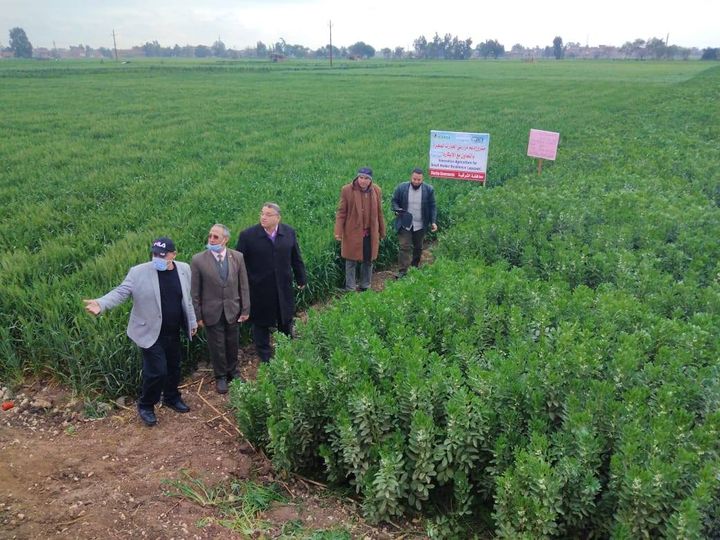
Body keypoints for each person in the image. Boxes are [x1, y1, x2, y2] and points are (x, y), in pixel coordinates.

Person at [84, 237, 198, 427]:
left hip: (173, 330)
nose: (157, 258)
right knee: (157, 372)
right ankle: (146, 405)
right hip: (149, 332)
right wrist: (101, 303)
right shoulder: (138, 272)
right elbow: (121, 292)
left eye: (162, 255)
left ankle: (171, 397)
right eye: (155, 254)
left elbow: (187, 299)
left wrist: (192, 321)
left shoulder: (184, 269)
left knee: (174, 367)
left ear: (173, 255)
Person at [236, 203, 307, 362]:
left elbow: (296, 257)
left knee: (285, 317)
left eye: (268, 214)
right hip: (259, 288)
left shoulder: (288, 233)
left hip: (283, 285)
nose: (263, 217)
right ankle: (265, 356)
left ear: (278, 218)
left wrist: (301, 277)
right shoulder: (248, 236)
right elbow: (238, 263)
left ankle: (286, 351)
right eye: (262, 213)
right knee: (260, 322)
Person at [191, 224, 250, 394]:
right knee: (217, 346)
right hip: (211, 311)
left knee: (233, 342)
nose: (211, 239)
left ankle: (233, 372)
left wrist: (245, 309)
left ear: (225, 240)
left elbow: (243, 285)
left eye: (215, 237)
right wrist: (198, 315)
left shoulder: (237, 257)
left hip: (233, 308)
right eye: (210, 236)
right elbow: (195, 292)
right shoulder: (198, 260)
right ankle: (221, 377)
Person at [334, 166, 386, 291]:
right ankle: (350, 288)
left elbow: (379, 212)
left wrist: (382, 231)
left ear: (370, 180)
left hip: (370, 233)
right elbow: (341, 213)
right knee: (351, 261)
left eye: (366, 178)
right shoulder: (347, 190)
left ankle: (365, 286)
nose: (363, 181)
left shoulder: (376, 190)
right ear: (357, 177)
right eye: (361, 178)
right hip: (352, 232)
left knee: (368, 260)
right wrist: (338, 231)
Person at [391, 167, 438, 277]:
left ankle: (414, 267)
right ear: (411, 177)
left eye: (419, 180)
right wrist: (397, 210)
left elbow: (433, 206)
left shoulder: (429, 190)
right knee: (404, 246)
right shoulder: (402, 188)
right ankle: (403, 271)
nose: (416, 182)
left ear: (422, 179)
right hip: (405, 222)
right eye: (414, 179)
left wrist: (433, 221)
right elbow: (394, 201)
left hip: (420, 223)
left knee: (418, 247)